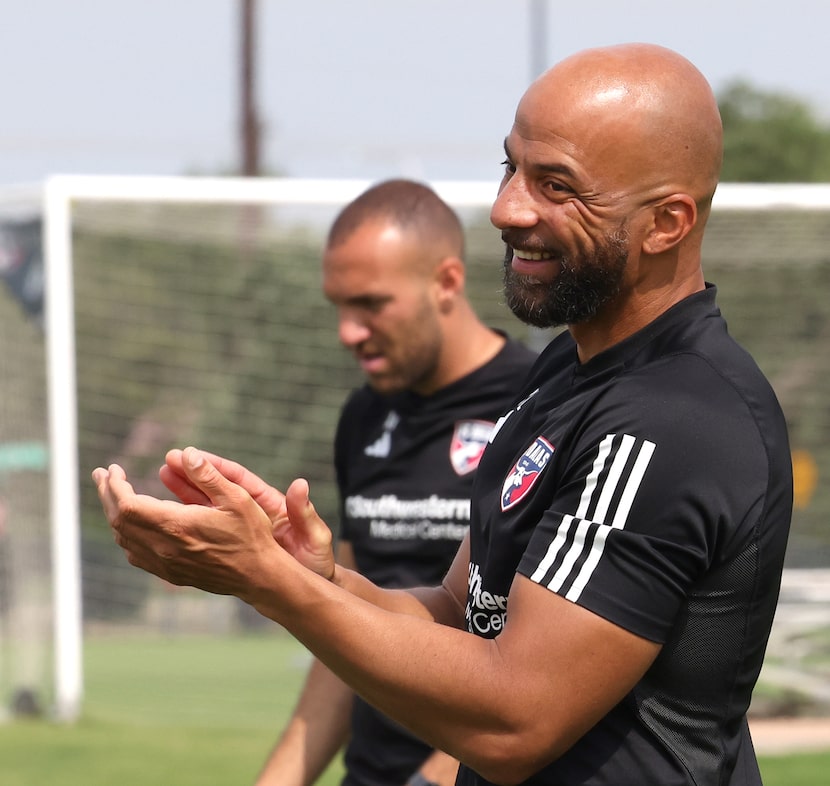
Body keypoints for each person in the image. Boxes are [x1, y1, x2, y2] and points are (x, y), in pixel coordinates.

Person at [94, 43, 793, 786]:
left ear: (666, 224)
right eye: (511, 167)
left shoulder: (673, 419)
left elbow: (516, 718)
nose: (506, 209)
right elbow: (462, 610)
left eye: (557, 186)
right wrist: (305, 570)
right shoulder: (567, 372)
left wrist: (272, 583)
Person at [256, 179, 537, 786]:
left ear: (446, 282)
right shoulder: (362, 417)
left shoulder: (539, 404)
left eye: (371, 304)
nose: (348, 332)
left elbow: (535, 663)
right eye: (339, 306)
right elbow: (341, 627)